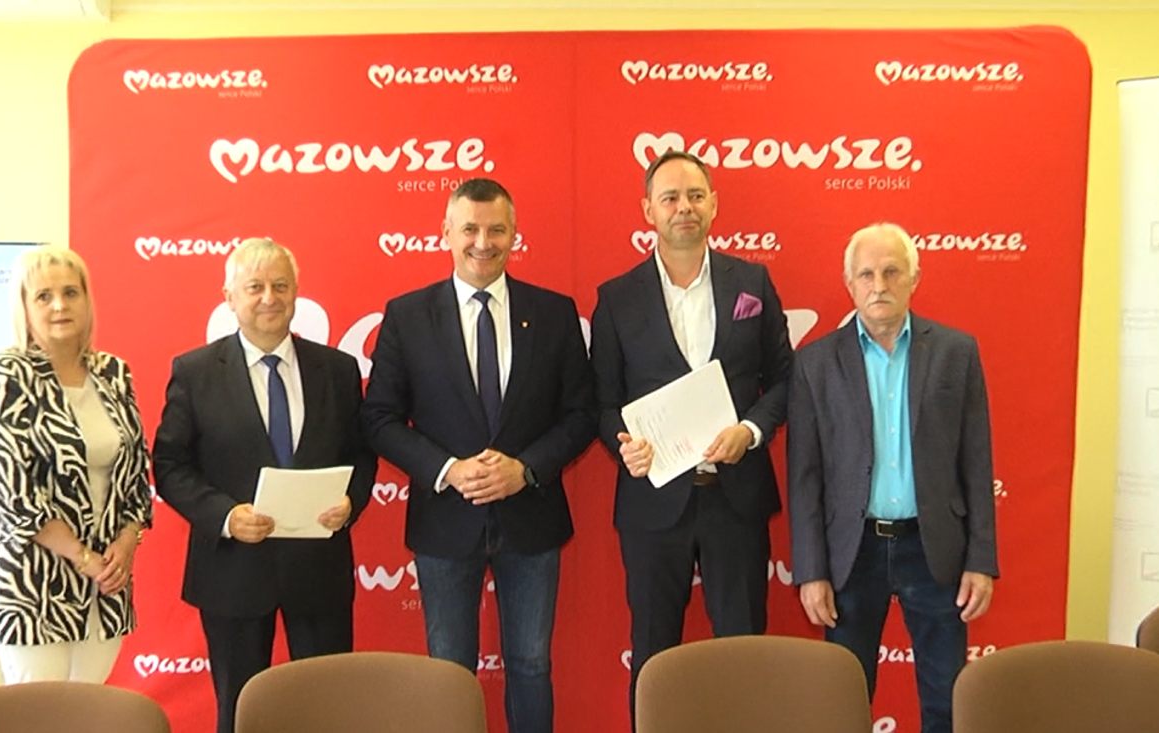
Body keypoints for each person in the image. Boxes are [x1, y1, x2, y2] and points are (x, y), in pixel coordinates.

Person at [361, 178, 595, 733]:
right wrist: (448, 469)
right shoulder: (407, 316)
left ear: (515, 234)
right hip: (445, 522)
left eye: (496, 230)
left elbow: (582, 414)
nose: (483, 243)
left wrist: (525, 470)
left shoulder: (554, 313)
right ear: (446, 233)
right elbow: (379, 419)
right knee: (449, 671)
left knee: (531, 664)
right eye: (470, 229)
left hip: (531, 518)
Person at [591, 150, 793, 718]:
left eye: (695, 196)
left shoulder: (752, 282)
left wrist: (751, 430)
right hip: (653, 503)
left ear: (713, 205)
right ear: (648, 210)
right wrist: (624, 445)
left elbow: (784, 380)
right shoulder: (616, 297)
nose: (684, 207)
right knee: (654, 658)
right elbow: (601, 403)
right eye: (671, 198)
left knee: (743, 654)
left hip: (736, 498)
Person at [152, 237, 376, 733]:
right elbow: (169, 464)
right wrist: (225, 516)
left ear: (296, 292)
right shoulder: (194, 372)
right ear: (229, 297)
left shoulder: (338, 370)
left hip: (318, 571)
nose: (269, 298)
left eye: (280, 285)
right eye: (254, 287)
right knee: (240, 713)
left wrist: (351, 501)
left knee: (326, 713)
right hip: (232, 572)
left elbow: (362, 453)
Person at [787, 222, 998, 733]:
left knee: (946, 700)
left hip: (934, 549)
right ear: (849, 284)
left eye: (891, 272)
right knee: (844, 701)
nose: (878, 285)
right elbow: (805, 477)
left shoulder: (956, 353)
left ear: (914, 279)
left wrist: (981, 559)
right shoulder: (815, 363)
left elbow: (976, 461)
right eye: (866, 274)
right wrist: (811, 571)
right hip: (851, 553)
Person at [0, 245, 152, 684]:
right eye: (44, 296)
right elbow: (13, 495)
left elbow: (135, 474)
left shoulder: (113, 373)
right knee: (40, 714)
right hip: (33, 585)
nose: (59, 306)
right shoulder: (1, 376)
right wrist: (82, 558)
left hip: (107, 585)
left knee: (89, 712)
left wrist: (127, 542)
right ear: (23, 306)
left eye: (71, 293)